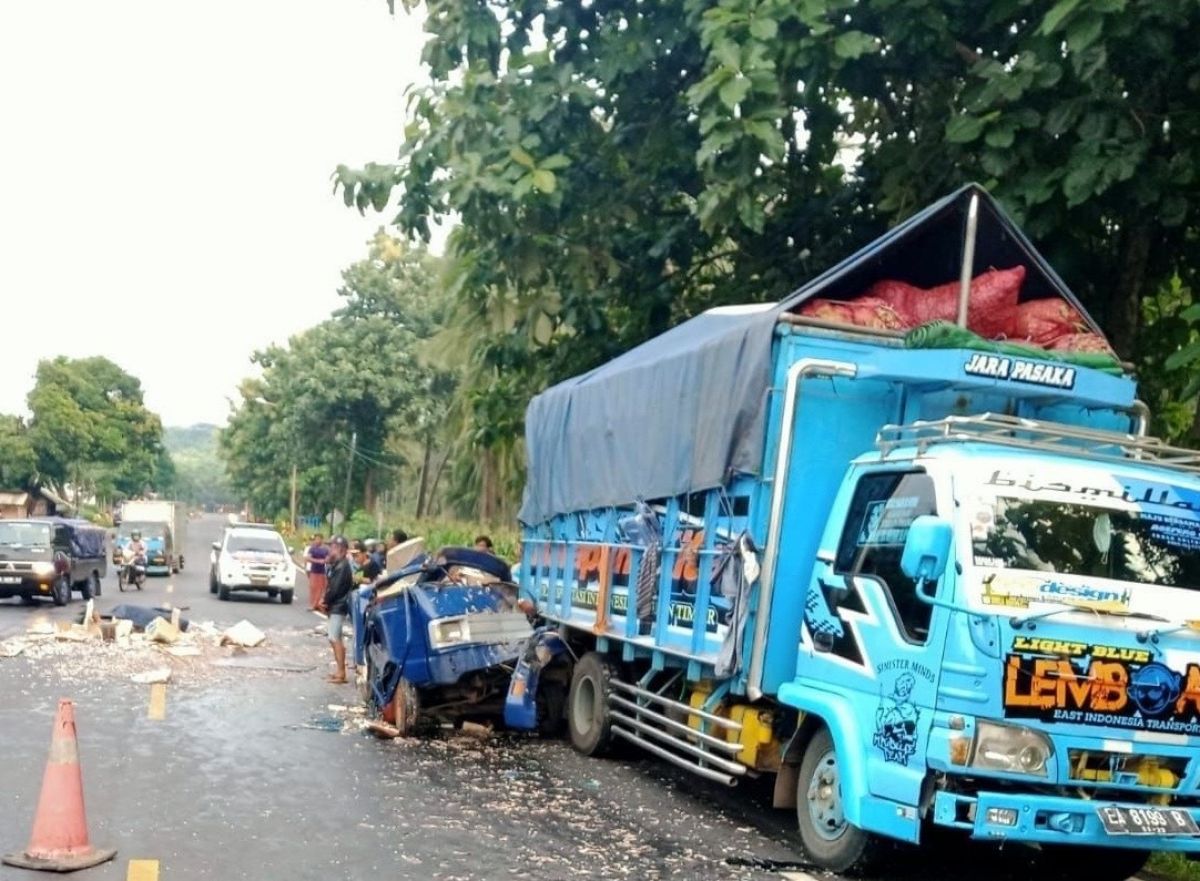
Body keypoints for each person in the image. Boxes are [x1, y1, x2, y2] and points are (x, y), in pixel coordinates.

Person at [318, 536, 354, 684]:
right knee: (336, 638)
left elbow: (335, 589)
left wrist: (325, 601)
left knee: (334, 638)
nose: (330, 550)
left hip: (338, 606)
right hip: (337, 605)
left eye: (332, 547)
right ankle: (340, 671)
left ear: (340, 549)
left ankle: (341, 673)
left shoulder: (342, 566)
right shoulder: (338, 564)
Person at [304, 533, 330, 612]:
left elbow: (327, 559)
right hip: (313, 571)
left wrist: (324, 561)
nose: (317, 541)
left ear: (322, 539)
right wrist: (318, 561)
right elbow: (308, 558)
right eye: (316, 539)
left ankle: (317, 604)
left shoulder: (325, 549)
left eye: (319, 539)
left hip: (322, 572)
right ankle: (312, 604)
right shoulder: (312, 548)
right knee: (313, 588)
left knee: (321, 588)